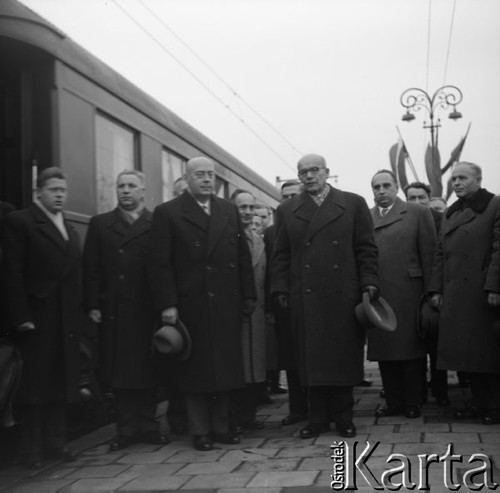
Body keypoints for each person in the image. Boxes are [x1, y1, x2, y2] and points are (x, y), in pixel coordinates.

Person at [148, 156, 256, 451]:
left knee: (224, 370)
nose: (207, 179)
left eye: (210, 175)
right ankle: (200, 431)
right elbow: (160, 265)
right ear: (188, 178)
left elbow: (242, 258)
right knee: (195, 372)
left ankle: (221, 428)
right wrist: (167, 304)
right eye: (200, 175)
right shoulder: (168, 213)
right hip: (189, 306)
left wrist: (248, 296)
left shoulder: (228, 211)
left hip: (225, 304)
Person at [271, 154, 379, 439]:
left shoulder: (352, 203)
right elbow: (281, 254)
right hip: (305, 296)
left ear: (327, 172)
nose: (309, 176)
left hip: (344, 293)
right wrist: (280, 288)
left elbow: (366, 248)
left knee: (343, 357)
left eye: (314, 170)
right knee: (311, 359)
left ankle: (344, 417)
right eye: (303, 171)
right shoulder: (287, 209)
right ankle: (316, 418)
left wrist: (369, 282)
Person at [3, 167, 83, 467]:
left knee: (59, 385)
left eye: (63, 190)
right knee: (34, 389)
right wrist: (20, 316)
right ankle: (32, 452)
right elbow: (12, 273)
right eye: (53, 190)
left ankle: (56, 445)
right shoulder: (20, 222)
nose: (60, 195)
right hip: (36, 319)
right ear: (38, 193)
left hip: (64, 320)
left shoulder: (69, 227)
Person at [83, 170, 168, 452]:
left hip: (148, 310)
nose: (126, 191)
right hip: (114, 311)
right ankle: (126, 429)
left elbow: (165, 265)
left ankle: (149, 425)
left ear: (143, 191)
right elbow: (91, 270)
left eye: (132, 186)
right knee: (120, 374)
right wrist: (94, 304)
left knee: (149, 369)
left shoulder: (156, 222)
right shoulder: (101, 224)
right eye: (121, 186)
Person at [429, 162, 500, 424]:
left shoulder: (494, 205)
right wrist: (435, 289)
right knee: (467, 355)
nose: (456, 183)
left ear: (478, 179)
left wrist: (494, 286)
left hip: (481, 294)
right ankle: (479, 403)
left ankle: (492, 407)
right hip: (455, 295)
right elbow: (440, 254)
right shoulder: (450, 212)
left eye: (463, 178)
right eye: (454, 179)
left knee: (486, 354)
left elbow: (498, 249)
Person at [368, 170, 436, 419]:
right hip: (379, 292)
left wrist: (432, 292)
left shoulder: (417, 212)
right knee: (385, 349)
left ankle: (412, 402)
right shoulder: (367, 216)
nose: (381, 191)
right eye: (376, 187)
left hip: (410, 290)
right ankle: (393, 401)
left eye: (386, 185)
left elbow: (429, 254)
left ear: (397, 187)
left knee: (410, 349)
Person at [264, 180, 308, 426]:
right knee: (291, 360)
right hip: (285, 305)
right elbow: (272, 270)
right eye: (285, 196)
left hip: (307, 301)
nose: (289, 200)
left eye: (294, 195)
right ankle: (297, 409)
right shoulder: (271, 233)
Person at [403, 181, 448, 406]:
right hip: (411, 289)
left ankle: (440, 390)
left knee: (436, 340)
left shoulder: (442, 220)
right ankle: (417, 391)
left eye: (421, 197)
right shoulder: (403, 220)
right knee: (415, 342)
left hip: (436, 287)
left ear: (429, 199)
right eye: (412, 198)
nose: (417, 202)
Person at [229, 189, 267, 431]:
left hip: (258, 313)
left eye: (251, 207)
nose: (248, 212)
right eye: (242, 207)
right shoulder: (226, 236)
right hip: (236, 311)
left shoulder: (258, 239)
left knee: (255, 366)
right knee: (239, 366)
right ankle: (235, 417)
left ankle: (249, 416)